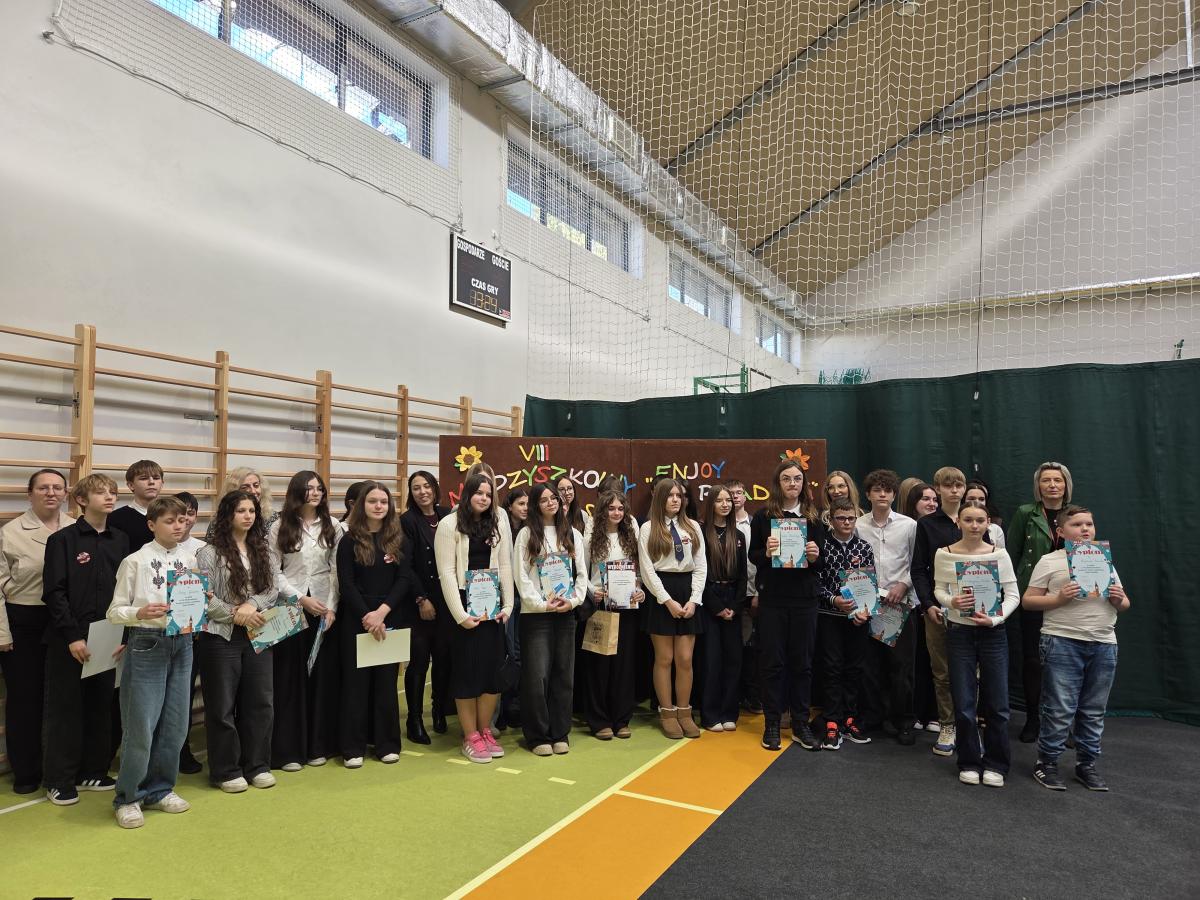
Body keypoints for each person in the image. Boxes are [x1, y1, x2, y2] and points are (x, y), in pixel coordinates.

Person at [106, 495, 197, 829]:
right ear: (151, 525)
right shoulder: (135, 561)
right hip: (147, 642)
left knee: (176, 724)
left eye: (182, 520)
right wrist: (139, 613)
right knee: (141, 725)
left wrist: (204, 601)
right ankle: (128, 796)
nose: (178, 526)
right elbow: (114, 611)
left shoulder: (190, 558)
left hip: (183, 642)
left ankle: (160, 789)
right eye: (170, 521)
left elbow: (195, 602)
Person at [1023, 506, 1129, 792]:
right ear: (1060, 531)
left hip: (1104, 642)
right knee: (1059, 709)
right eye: (1077, 524)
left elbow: (1124, 604)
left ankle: (1087, 764)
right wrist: (1058, 599)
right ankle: (1047, 763)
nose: (1085, 529)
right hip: (1062, 640)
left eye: (1089, 524)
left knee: (1093, 709)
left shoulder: (1103, 559)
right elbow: (1028, 601)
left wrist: (1118, 599)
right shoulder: (1049, 561)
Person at [40, 473, 128, 806]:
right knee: (66, 710)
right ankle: (59, 779)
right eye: (101, 492)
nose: (109, 497)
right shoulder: (63, 540)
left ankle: (93, 770)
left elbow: (126, 590)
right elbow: (54, 592)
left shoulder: (120, 539)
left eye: (113, 492)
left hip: (109, 635)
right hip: (71, 639)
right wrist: (72, 636)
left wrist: (124, 634)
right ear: (81, 500)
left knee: (100, 706)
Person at [196, 490, 279, 793]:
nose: (248, 516)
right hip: (220, 636)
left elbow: (272, 589)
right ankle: (226, 770)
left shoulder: (264, 549)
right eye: (241, 510)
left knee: (260, 702)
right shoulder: (209, 553)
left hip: (258, 632)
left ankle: (257, 765)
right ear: (227, 514)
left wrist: (252, 605)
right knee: (221, 705)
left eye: (252, 511)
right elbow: (203, 597)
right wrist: (235, 614)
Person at [933, 500, 1018, 786]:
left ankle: (996, 763)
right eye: (968, 520)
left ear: (988, 523)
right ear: (958, 522)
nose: (974, 525)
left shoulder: (999, 554)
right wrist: (951, 602)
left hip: (993, 634)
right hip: (959, 633)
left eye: (980, 520)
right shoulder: (944, 554)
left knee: (998, 703)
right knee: (964, 702)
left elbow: (1013, 595)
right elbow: (939, 590)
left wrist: (995, 619)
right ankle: (969, 761)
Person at [0, 467, 73, 794]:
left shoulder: (76, 527)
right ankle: (27, 772)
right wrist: (2, 633)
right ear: (30, 494)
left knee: (64, 699)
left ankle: (62, 769)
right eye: (43, 487)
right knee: (25, 699)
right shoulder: (11, 532)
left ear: (66, 494)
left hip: (65, 621)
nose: (51, 493)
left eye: (57, 487)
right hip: (23, 621)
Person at [434, 472, 514, 764]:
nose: (484, 498)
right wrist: (460, 615)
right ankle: (470, 736)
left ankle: (485, 731)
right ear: (467, 494)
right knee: (467, 674)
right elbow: (446, 573)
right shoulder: (449, 525)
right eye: (479, 493)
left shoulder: (497, 523)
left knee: (491, 675)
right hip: (463, 610)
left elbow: (505, 565)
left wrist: (508, 604)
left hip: (491, 608)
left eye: (488, 494)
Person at [748, 460, 825, 752]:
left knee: (802, 664)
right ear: (778, 483)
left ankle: (801, 723)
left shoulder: (814, 518)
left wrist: (815, 556)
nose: (793, 483)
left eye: (797, 479)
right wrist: (767, 553)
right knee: (772, 663)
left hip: (805, 600)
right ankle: (771, 723)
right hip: (773, 600)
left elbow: (822, 563)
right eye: (787, 479)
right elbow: (754, 556)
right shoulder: (763, 516)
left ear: (803, 483)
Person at [336, 481, 413, 768]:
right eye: (372, 501)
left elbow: (404, 579)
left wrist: (382, 612)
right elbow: (346, 583)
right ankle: (353, 747)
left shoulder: (399, 540)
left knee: (385, 684)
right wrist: (368, 616)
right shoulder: (349, 540)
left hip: (389, 618)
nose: (378, 506)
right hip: (357, 620)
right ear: (361, 505)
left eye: (383, 501)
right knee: (355, 687)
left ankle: (387, 743)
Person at [270, 471, 341, 770]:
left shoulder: (333, 525)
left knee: (321, 681)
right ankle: (289, 751)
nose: (315, 493)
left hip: (325, 610)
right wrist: (301, 598)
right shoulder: (279, 526)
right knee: (290, 681)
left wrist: (331, 608)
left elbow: (337, 570)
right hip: (290, 610)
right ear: (296, 492)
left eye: (319, 488)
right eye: (309, 488)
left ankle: (318, 746)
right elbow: (274, 571)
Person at [911, 466, 980, 756]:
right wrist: (928, 604)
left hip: (973, 610)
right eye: (948, 486)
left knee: (972, 672)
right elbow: (918, 570)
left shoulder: (974, 520)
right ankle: (947, 724)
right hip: (938, 609)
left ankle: (969, 726)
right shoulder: (927, 525)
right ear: (937, 489)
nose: (954, 490)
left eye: (958, 485)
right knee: (942, 672)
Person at [514, 484, 587, 755]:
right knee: (537, 678)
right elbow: (521, 576)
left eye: (553, 498)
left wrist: (574, 601)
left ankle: (560, 732)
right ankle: (537, 736)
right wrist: (541, 604)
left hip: (565, 614)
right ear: (535, 505)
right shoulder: (526, 534)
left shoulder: (573, 534)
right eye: (544, 500)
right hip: (537, 616)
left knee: (563, 675)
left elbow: (582, 574)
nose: (550, 503)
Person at [1008, 462, 1074, 744]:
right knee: (1033, 661)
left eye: (1057, 480)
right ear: (1038, 486)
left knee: (1066, 662)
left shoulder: (1076, 514)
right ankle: (1033, 718)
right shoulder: (1026, 513)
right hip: (1033, 596)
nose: (1052, 485)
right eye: (1046, 480)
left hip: (1068, 598)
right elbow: (1013, 554)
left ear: (1066, 485)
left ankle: (1063, 722)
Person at [854, 469, 919, 746]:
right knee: (869, 666)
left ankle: (903, 721)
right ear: (868, 494)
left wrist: (904, 584)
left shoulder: (908, 525)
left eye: (887, 490)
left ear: (894, 495)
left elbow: (917, 563)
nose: (882, 494)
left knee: (901, 668)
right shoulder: (857, 525)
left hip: (899, 605)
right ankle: (872, 717)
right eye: (877, 490)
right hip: (868, 606)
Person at [639, 478, 707, 740]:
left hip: (687, 591)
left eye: (679, 495)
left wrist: (694, 599)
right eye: (670, 495)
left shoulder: (693, 527)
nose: (676, 500)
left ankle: (684, 712)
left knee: (685, 658)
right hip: (661, 594)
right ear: (660, 499)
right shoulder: (648, 528)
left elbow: (701, 566)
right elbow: (647, 570)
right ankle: (667, 713)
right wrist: (666, 600)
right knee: (664, 658)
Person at [583, 490, 645, 740]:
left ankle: (621, 719)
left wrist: (640, 591)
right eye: (611, 508)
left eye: (620, 508)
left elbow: (639, 573)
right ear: (602, 511)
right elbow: (582, 573)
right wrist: (593, 591)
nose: (616, 513)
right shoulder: (591, 540)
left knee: (624, 666)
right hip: (601, 608)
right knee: (599, 666)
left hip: (627, 608)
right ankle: (599, 720)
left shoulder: (631, 538)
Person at [399, 471, 453, 741]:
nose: (423, 492)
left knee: (443, 660)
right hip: (419, 602)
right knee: (419, 661)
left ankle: (440, 710)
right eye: (416, 488)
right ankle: (415, 720)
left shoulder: (447, 514)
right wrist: (421, 599)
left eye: (427, 486)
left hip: (448, 601)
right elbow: (406, 566)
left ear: (435, 488)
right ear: (411, 493)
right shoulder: (407, 520)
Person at [817, 499, 874, 750]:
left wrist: (865, 611)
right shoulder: (821, 545)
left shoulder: (864, 547)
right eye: (841, 518)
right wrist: (834, 600)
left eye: (851, 518)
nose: (847, 522)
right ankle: (831, 720)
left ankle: (849, 719)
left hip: (857, 619)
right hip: (829, 616)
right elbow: (815, 582)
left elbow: (870, 583)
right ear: (831, 520)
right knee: (831, 668)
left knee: (854, 669)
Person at [699, 485, 747, 733]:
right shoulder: (701, 532)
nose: (726, 504)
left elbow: (743, 576)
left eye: (728, 500)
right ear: (711, 504)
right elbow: (699, 574)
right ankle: (710, 714)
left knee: (733, 660)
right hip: (710, 600)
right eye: (720, 501)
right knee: (711, 660)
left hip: (733, 600)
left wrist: (735, 607)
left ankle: (729, 713)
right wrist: (717, 607)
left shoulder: (738, 535)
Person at [902, 480, 939, 733]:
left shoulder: (939, 528)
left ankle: (934, 713)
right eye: (926, 499)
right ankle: (914, 711)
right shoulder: (906, 526)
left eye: (934, 499)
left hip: (932, 602)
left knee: (933, 660)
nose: (931, 503)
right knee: (912, 662)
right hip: (908, 602)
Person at [173, 491, 206, 775]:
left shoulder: (202, 549)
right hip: (163, 634)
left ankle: (183, 749)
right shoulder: (151, 550)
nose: (184, 520)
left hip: (196, 634)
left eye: (190, 514)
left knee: (185, 695)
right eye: (178, 514)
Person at [726, 480, 761, 714]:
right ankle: (735, 696)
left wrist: (758, 592)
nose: (735, 497)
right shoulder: (720, 526)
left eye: (739, 493)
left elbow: (761, 559)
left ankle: (754, 695)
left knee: (756, 648)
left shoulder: (754, 523)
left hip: (756, 593)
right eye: (731, 494)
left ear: (745, 496)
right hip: (732, 595)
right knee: (735, 647)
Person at [497, 486, 531, 727]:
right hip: (506, 599)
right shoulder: (502, 529)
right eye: (521, 503)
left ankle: (516, 707)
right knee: (507, 653)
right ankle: (501, 710)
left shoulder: (531, 531)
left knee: (520, 654)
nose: (525, 508)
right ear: (509, 506)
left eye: (528, 504)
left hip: (526, 599)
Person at [108, 460, 164, 553]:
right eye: (144, 478)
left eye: (156, 478)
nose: (151, 482)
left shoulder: (172, 515)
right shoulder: (114, 518)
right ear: (131, 485)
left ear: (162, 484)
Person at [207, 467, 275, 538]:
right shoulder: (219, 521)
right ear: (233, 492)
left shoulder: (272, 518)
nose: (253, 491)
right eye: (245, 487)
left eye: (256, 485)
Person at [965, 481, 1005, 549]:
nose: (977, 502)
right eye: (972, 499)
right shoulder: (955, 527)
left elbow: (1000, 554)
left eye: (981, 499)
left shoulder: (995, 529)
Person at [175, 492, 206, 557]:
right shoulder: (157, 546)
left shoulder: (203, 548)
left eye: (190, 513)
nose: (185, 518)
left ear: (196, 518)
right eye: (181, 513)